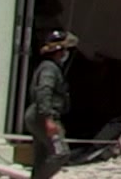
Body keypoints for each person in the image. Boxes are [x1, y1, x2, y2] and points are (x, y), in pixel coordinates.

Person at [27, 29, 77, 179]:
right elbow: (44, 91)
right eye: (65, 50)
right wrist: (48, 119)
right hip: (43, 116)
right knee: (61, 153)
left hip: (38, 115)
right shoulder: (50, 68)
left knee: (41, 156)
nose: (66, 53)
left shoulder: (50, 67)